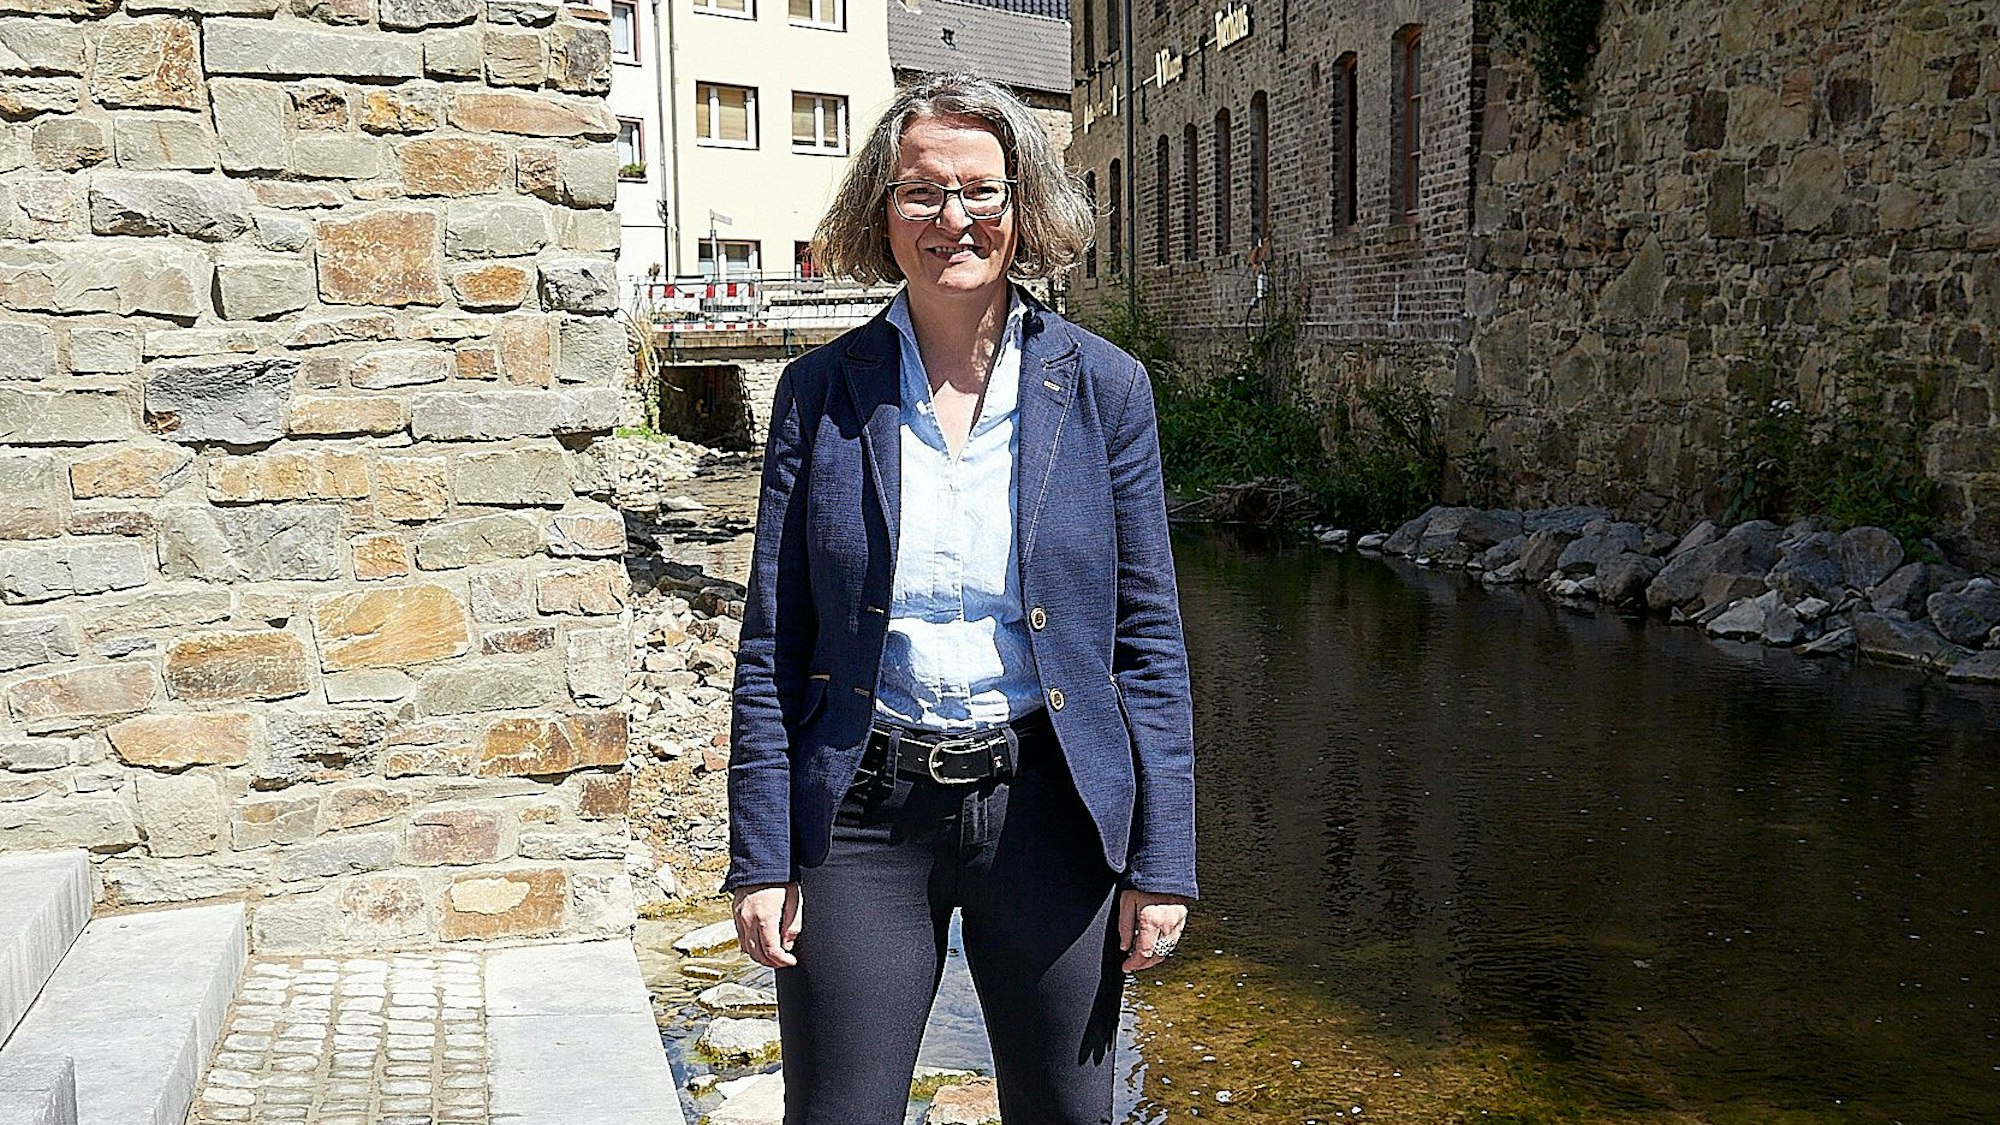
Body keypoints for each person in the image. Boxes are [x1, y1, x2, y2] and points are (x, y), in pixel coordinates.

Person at [725, 71, 1197, 1125]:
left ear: (1023, 206)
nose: (954, 219)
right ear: (881, 209)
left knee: (1068, 1112)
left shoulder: (1106, 388)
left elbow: (1147, 642)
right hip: (861, 815)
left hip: (1050, 807)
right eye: (922, 191)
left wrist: (1161, 862)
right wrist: (760, 855)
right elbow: (772, 642)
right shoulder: (819, 393)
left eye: (982, 191)